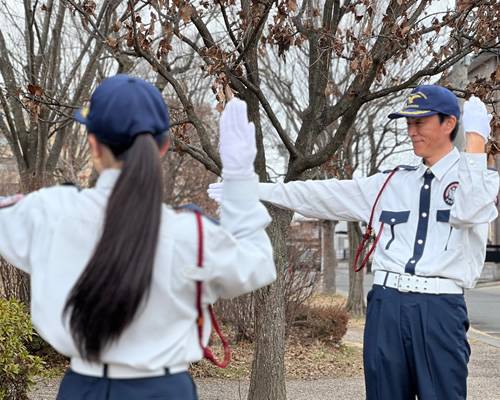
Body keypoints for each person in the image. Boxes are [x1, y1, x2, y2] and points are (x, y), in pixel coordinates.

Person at [208, 85, 499, 399]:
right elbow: (322, 194)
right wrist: (255, 190)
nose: (411, 131)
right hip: (387, 305)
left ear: (448, 124)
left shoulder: (479, 178)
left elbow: (469, 211)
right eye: (408, 123)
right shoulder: (391, 181)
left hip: (440, 309)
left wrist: (476, 144)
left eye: (420, 122)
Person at [0, 74, 276, 399]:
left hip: (82, 389)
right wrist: (240, 179)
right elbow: (258, 263)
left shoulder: (48, 212)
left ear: (93, 144)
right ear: (162, 147)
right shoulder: (194, 235)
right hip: (166, 390)